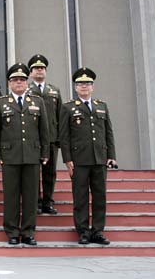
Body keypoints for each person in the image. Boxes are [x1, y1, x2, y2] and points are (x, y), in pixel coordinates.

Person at [0, 63, 49, 246]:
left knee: (31, 197)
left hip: (32, 155)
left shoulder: (37, 102)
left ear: (27, 82)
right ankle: (12, 231)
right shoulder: (1, 103)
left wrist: (45, 152)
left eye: (22, 80)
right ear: (9, 83)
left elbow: (44, 130)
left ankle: (29, 231)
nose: (19, 83)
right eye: (15, 80)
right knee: (11, 196)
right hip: (10, 156)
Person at [59, 67, 116, 245]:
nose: (84, 86)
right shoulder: (68, 108)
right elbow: (64, 136)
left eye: (88, 83)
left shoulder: (102, 106)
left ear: (93, 86)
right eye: (80, 84)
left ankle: (98, 231)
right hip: (79, 160)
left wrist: (111, 155)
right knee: (81, 197)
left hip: (99, 158)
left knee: (100, 196)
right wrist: (67, 159)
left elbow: (108, 132)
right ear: (75, 87)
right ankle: (83, 231)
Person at [27, 54, 62, 214]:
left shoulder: (54, 90)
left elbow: (60, 115)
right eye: (36, 68)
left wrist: (60, 137)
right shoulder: (26, 90)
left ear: (45, 71)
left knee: (50, 172)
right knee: (33, 173)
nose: (39, 71)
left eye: (42, 68)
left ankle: (48, 201)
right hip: (32, 138)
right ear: (31, 72)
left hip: (51, 138)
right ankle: (35, 201)